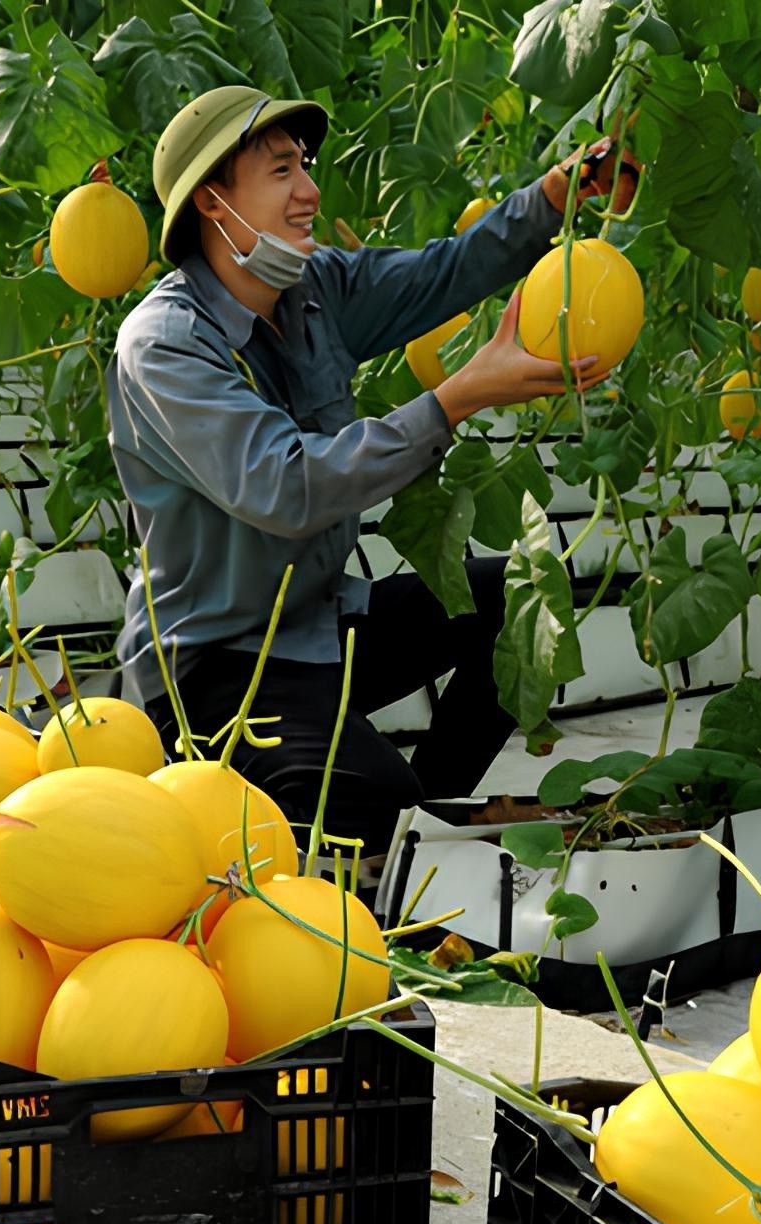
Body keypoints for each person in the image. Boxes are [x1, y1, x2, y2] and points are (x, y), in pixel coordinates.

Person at [109, 86, 639, 874]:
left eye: (304, 166)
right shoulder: (164, 345)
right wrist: (458, 397)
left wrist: (557, 194)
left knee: (523, 595)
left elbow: (446, 274)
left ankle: (413, 826)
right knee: (369, 801)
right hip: (217, 667)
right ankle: (382, 828)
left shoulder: (315, 290)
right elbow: (288, 490)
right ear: (215, 202)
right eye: (281, 170)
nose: (309, 191)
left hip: (322, 625)